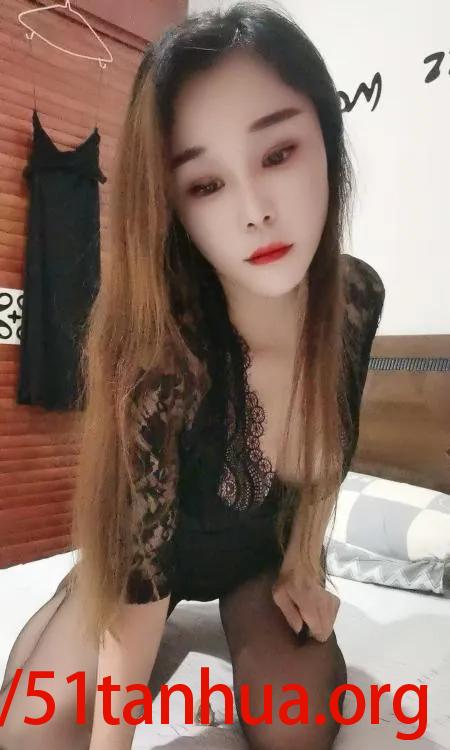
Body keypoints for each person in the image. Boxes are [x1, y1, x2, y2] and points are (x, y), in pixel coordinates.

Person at [0, 2, 385, 749]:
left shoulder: (355, 301)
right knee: (31, 734)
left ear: (327, 142)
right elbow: (142, 584)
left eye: (278, 153)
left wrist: (305, 565)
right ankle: (77, 591)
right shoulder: (162, 352)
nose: (255, 211)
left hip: (259, 565)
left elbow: (329, 450)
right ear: (173, 208)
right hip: (141, 565)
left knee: (297, 733)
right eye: (206, 185)